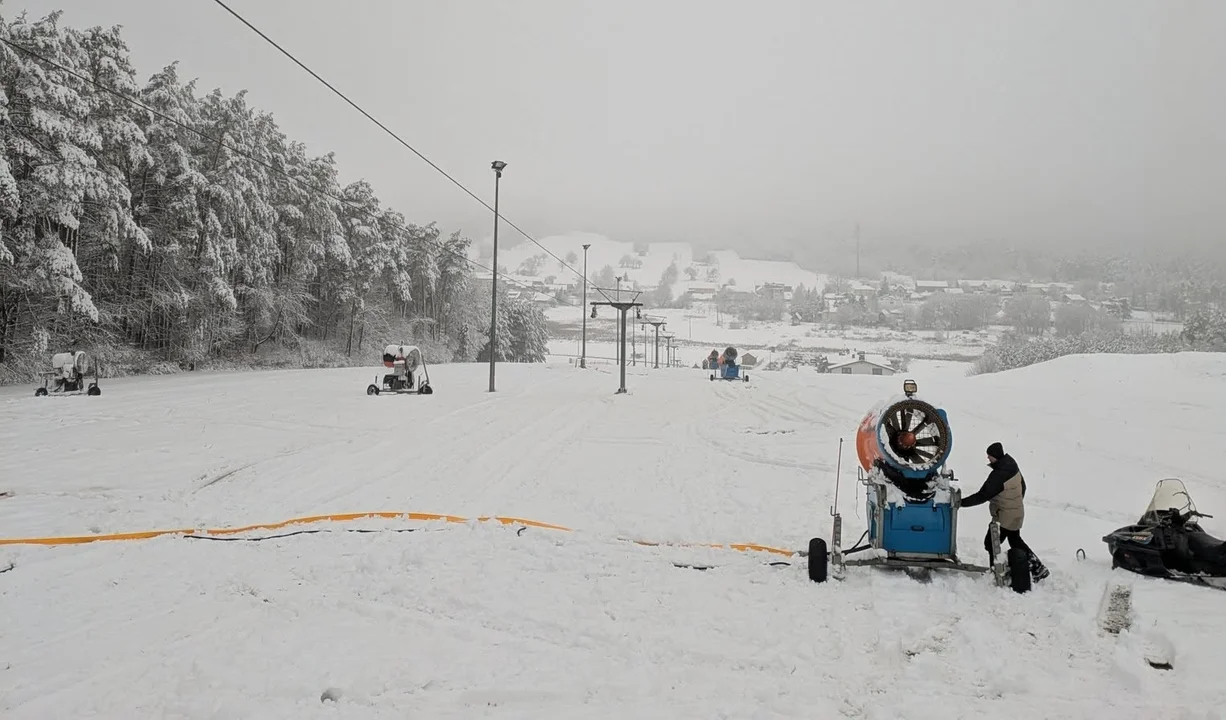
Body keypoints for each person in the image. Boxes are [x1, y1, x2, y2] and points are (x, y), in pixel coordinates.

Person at [960, 442, 1049, 583]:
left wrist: (961, 503)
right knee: (1015, 540)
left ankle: (996, 572)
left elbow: (983, 495)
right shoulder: (1012, 465)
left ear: (995, 456)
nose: (988, 459)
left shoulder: (999, 475)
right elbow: (1023, 486)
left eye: (989, 456)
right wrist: (1015, 503)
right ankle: (1037, 568)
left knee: (990, 543)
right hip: (1016, 512)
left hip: (1005, 516)